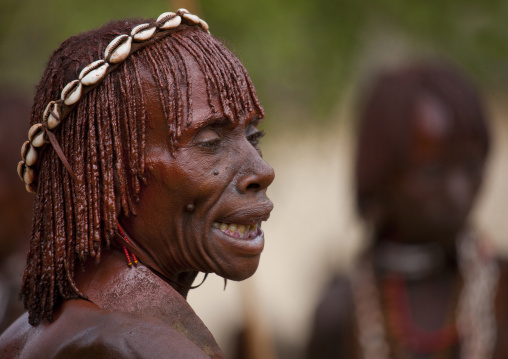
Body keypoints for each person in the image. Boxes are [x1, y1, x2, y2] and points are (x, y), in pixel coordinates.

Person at [0, 9, 274, 358]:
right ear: (109, 174)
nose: (262, 170)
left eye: (253, 136)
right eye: (210, 142)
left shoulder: (19, 337)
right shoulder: (144, 347)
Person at [306, 63, 508, 358]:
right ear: (379, 179)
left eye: (471, 166)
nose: (458, 192)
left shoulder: (501, 292)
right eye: (432, 172)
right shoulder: (341, 312)